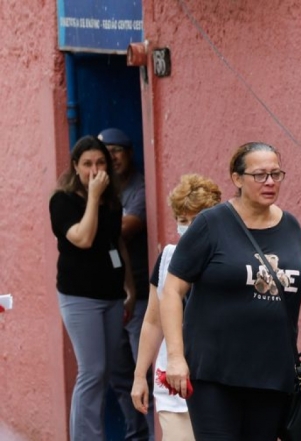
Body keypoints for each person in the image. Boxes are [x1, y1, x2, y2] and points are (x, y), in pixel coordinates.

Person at [160, 142, 301, 440]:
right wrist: (176, 357)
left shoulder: (290, 226)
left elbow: (291, 277)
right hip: (214, 374)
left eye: (276, 174)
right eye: (260, 175)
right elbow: (172, 290)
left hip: (270, 374)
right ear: (237, 178)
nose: (270, 182)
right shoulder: (210, 224)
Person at [49, 135, 136, 440]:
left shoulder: (113, 199)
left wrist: (130, 288)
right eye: (87, 164)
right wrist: (94, 198)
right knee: (92, 371)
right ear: (75, 166)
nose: (94, 169)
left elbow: (117, 244)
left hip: (112, 296)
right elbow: (83, 238)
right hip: (79, 296)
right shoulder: (63, 201)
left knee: (105, 373)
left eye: (100, 163)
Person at [131, 174, 222, 441]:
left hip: (220, 381)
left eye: (198, 220)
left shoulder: (228, 260)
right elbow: (152, 321)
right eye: (183, 221)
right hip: (173, 382)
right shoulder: (168, 257)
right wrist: (139, 377)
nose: (190, 228)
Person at [98, 127, 155, 440]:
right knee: (119, 376)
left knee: (144, 374)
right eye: (107, 153)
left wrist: (90, 221)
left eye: (118, 150)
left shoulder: (140, 187)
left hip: (141, 296)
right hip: (107, 297)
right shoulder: (102, 192)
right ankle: (136, 436)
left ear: (129, 153)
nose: (112, 157)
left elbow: (126, 227)